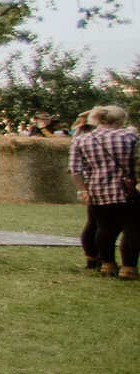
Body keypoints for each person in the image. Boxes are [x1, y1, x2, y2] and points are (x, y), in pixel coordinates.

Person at [71, 106, 138, 279]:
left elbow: (75, 170)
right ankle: (129, 268)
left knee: (104, 228)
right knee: (132, 229)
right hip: (127, 191)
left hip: (97, 190)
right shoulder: (130, 137)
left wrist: (82, 190)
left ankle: (108, 265)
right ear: (119, 121)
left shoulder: (82, 140)